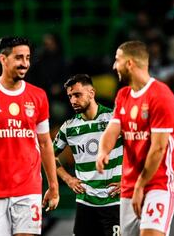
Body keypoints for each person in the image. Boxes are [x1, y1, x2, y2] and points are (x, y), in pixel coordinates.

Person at [0, 36, 59, 236]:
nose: (25, 63)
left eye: (28, 57)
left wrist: (53, 184)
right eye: (18, 58)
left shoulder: (38, 96)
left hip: (29, 187)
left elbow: (45, 144)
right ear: (3, 59)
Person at [96, 40, 174, 236]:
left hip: (159, 183)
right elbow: (112, 130)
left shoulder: (161, 96)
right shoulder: (123, 95)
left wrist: (141, 186)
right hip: (129, 185)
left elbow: (158, 149)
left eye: (117, 60)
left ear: (130, 64)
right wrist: (103, 151)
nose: (113, 66)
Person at [53, 74, 123, 236]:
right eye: (70, 96)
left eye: (77, 95)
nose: (72, 101)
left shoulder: (114, 120)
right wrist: (67, 179)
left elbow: (138, 148)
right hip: (85, 202)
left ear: (92, 93)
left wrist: (127, 181)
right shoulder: (68, 127)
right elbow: (49, 155)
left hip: (114, 201)